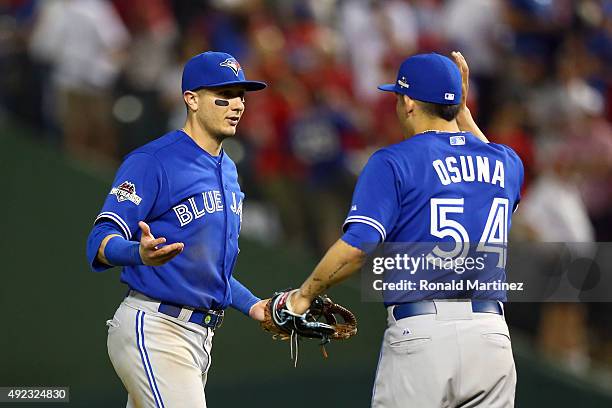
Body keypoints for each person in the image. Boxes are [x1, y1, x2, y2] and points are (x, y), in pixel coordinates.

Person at [285, 52, 524, 407]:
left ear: (409, 102)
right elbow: (482, 154)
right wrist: (462, 111)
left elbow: (357, 246)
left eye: (398, 96)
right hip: (491, 338)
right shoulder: (506, 161)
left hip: (423, 335)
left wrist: (302, 297)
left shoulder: (393, 161)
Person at [85, 51, 268, 407]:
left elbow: (206, 269)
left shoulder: (229, 170)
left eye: (241, 96)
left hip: (198, 338)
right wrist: (136, 252)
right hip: (156, 328)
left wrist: (253, 306)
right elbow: (98, 241)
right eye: (224, 95)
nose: (237, 105)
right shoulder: (153, 161)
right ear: (191, 99)